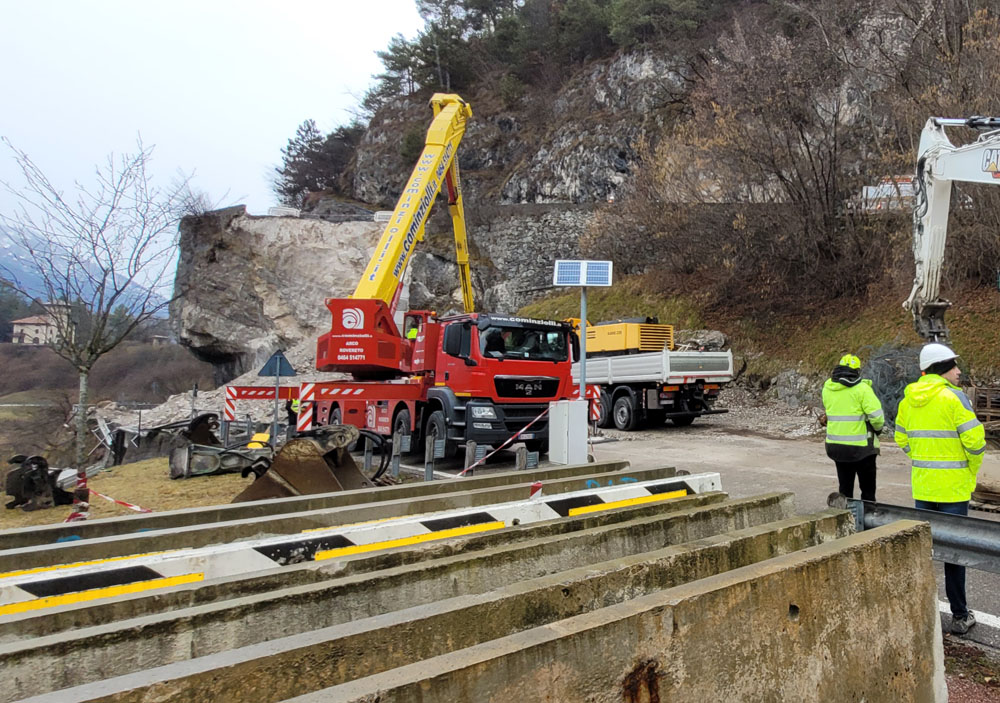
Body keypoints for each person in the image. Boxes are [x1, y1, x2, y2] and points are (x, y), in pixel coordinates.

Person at [894, 342, 986, 636]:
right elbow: (976, 442)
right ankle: (959, 615)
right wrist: (968, 470)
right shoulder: (954, 398)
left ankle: (922, 612)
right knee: (954, 555)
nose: (959, 371)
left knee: (923, 551)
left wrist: (923, 460)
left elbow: (901, 439)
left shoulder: (908, 400)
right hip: (954, 491)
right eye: (953, 366)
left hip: (923, 488)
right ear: (941, 369)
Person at [821, 353, 884, 501]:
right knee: (867, 491)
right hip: (862, 449)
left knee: (844, 489)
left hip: (836, 447)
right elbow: (877, 417)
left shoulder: (827, 388)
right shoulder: (862, 389)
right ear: (857, 371)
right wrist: (878, 429)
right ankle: (867, 521)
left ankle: (844, 519)